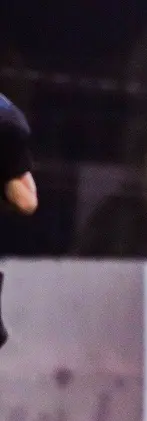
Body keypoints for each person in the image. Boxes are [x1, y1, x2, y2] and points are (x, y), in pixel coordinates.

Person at [0, 94, 38, 351]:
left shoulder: (9, 129)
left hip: (8, 129)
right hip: (10, 124)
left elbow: (27, 204)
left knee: (27, 202)